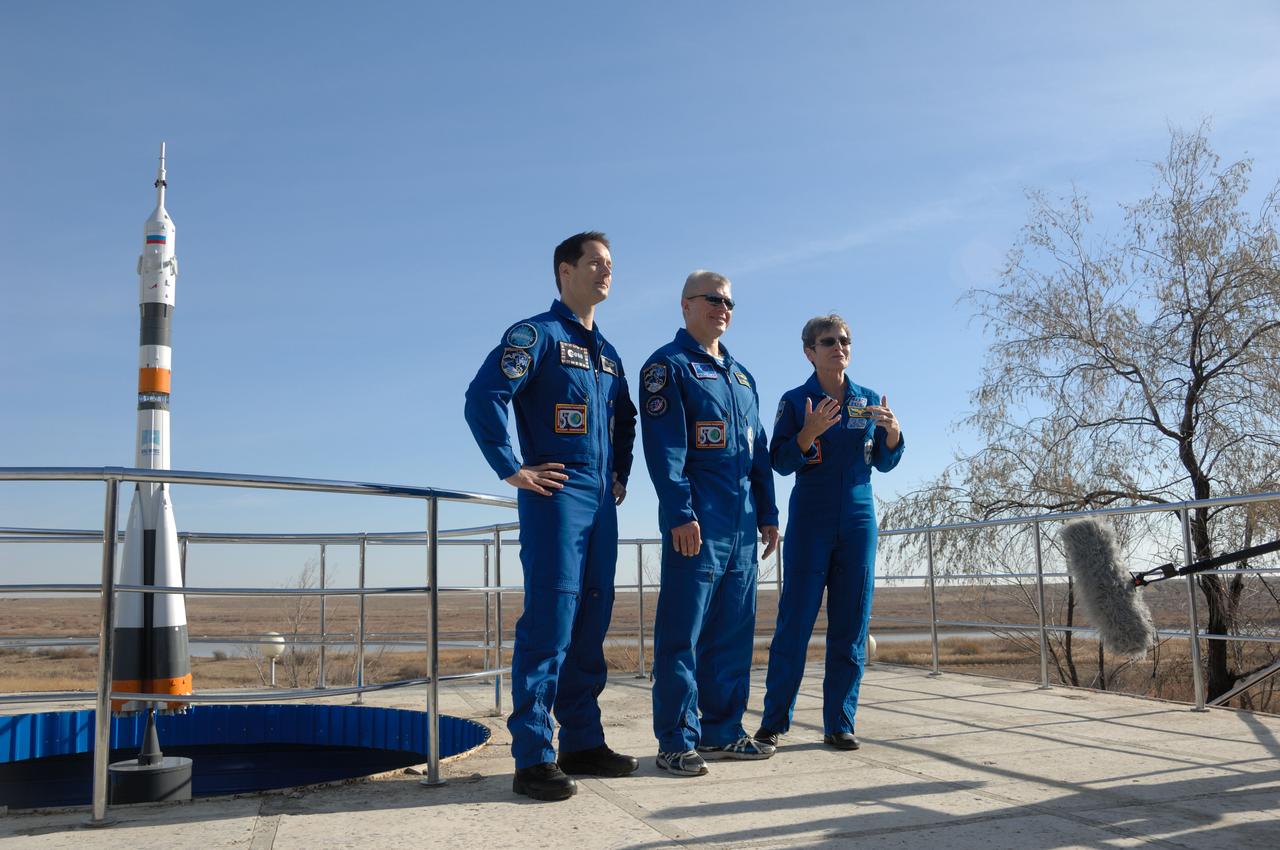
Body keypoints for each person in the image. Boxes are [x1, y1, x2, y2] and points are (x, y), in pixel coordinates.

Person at [464, 231, 639, 801]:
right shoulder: (535, 335)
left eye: (610, 264)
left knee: (593, 618)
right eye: (596, 262)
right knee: (551, 621)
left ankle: (582, 742)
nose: (606, 271)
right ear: (566, 271)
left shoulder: (608, 353)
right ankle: (534, 755)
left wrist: (620, 474)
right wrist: (511, 467)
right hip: (556, 494)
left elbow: (625, 419)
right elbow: (483, 395)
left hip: (600, 501)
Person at [640, 270, 780, 777]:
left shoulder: (742, 377)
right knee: (683, 635)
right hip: (697, 522)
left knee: (733, 634)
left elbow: (757, 451)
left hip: (742, 527)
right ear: (685, 306)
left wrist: (768, 513)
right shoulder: (667, 367)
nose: (723, 308)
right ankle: (675, 740)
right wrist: (679, 512)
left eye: (729, 302)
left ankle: (723, 730)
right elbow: (665, 449)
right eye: (713, 299)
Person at [754, 314, 903, 751]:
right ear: (809, 352)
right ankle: (773, 722)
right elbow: (778, 461)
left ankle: (840, 722)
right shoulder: (796, 399)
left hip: (858, 517)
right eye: (828, 341)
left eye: (844, 340)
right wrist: (808, 433)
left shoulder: (868, 400)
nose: (838, 347)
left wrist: (893, 434)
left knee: (851, 623)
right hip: (811, 518)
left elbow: (884, 462)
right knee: (795, 623)